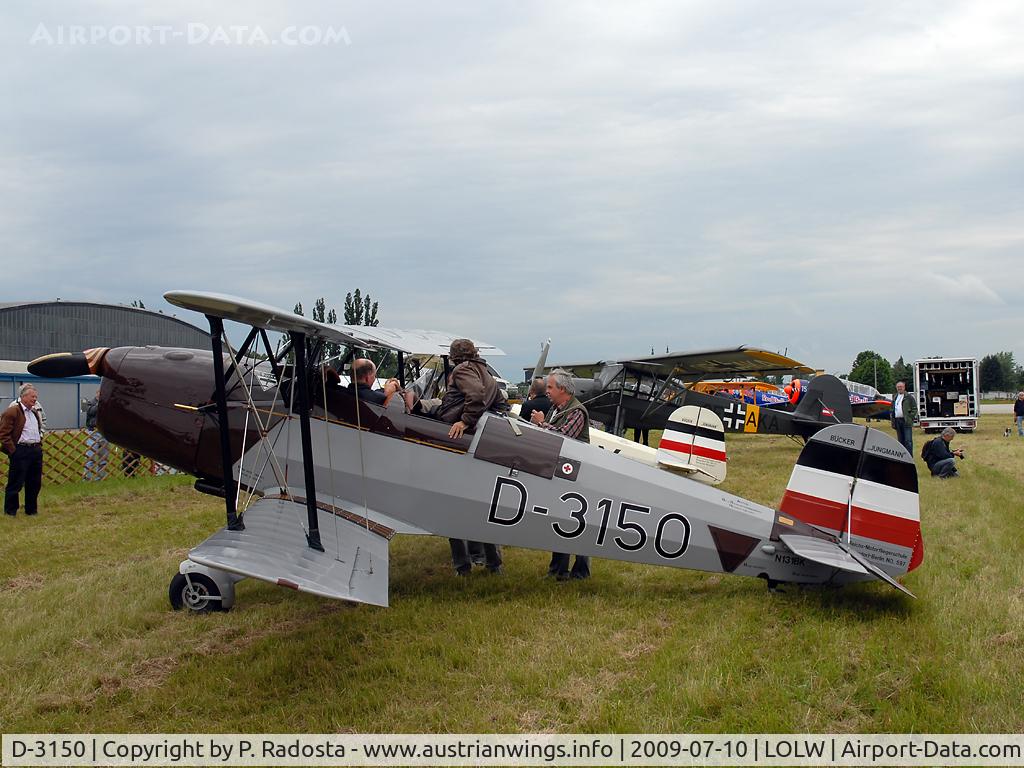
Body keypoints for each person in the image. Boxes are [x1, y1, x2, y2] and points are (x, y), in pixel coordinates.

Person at [421, 339, 508, 575]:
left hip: (459, 446)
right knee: (482, 508)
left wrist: (465, 420)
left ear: (454, 357)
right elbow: (500, 403)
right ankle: (493, 563)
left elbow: (476, 396)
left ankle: (462, 566)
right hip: (484, 447)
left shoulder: (462, 370)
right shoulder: (484, 370)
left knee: (452, 507)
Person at [530, 369, 591, 579]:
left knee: (579, 525)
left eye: (550, 387)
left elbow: (565, 439)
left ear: (562, 389)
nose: (546, 390)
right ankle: (559, 569)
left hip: (577, 477)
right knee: (560, 523)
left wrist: (541, 424)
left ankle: (581, 570)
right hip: (563, 475)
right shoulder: (555, 409)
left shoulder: (576, 411)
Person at [1, 384, 44, 516]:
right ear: (23, 397)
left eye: (36, 397)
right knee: (16, 482)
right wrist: (14, 451)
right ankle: (10, 511)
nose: (35, 399)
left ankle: (31, 510)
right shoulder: (13, 411)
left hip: (35, 450)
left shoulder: (35, 412)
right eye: (32, 396)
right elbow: (3, 434)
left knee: (34, 482)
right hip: (20, 451)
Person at [82, 392, 109, 480]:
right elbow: (90, 411)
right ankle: (87, 478)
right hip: (93, 432)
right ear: (97, 395)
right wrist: (100, 404)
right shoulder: (89, 402)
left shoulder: (106, 404)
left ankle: (100, 478)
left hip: (104, 433)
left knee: (103, 458)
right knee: (90, 457)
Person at [890, 380, 919, 454]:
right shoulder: (895, 396)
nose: (899, 388)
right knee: (900, 441)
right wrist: (892, 419)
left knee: (908, 441)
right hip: (897, 421)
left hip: (906, 421)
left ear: (904, 387)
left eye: (901, 387)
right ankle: (903, 457)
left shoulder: (909, 397)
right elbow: (892, 408)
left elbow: (914, 408)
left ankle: (909, 458)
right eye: (898, 387)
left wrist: (910, 418)